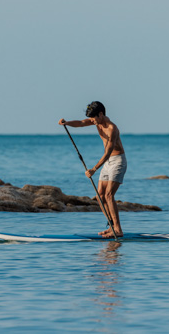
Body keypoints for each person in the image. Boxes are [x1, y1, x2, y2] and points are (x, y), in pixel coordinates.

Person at [59, 101, 127, 238]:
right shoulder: (96, 121)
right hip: (107, 163)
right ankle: (111, 226)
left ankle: (118, 229)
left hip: (117, 161)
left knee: (109, 195)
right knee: (100, 196)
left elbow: (108, 152)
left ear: (101, 114)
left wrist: (94, 169)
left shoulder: (112, 129)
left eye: (94, 118)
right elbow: (81, 123)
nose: (93, 121)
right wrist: (67, 123)